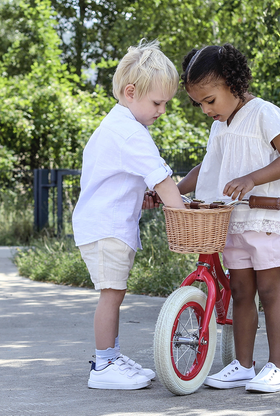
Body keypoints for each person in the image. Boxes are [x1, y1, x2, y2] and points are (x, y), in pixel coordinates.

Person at [177, 44, 280, 393]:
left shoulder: (264, 113)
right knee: (240, 291)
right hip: (236, 219)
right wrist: (173, 189)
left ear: (232, 83)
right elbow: (206, 168)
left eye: (210, 100)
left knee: (269, 290)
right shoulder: (220, 126)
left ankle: (277, 366)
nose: (206, 110)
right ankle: (242, 364)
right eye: (200, 104)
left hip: (269, 216)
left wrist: (252, 178)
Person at [72, 39, 185, 390]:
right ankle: (104, 365)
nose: (162, 110)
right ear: (131, 92)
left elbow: (122, 182)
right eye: (157, 102)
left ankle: (112, 356)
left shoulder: (120, 126)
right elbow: (162, 177)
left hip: (107, 224)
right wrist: (181, 212)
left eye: (165, 103)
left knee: (114, 292)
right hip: (106, 228)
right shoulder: (129, 132)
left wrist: (142, 197)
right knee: (112, 294)